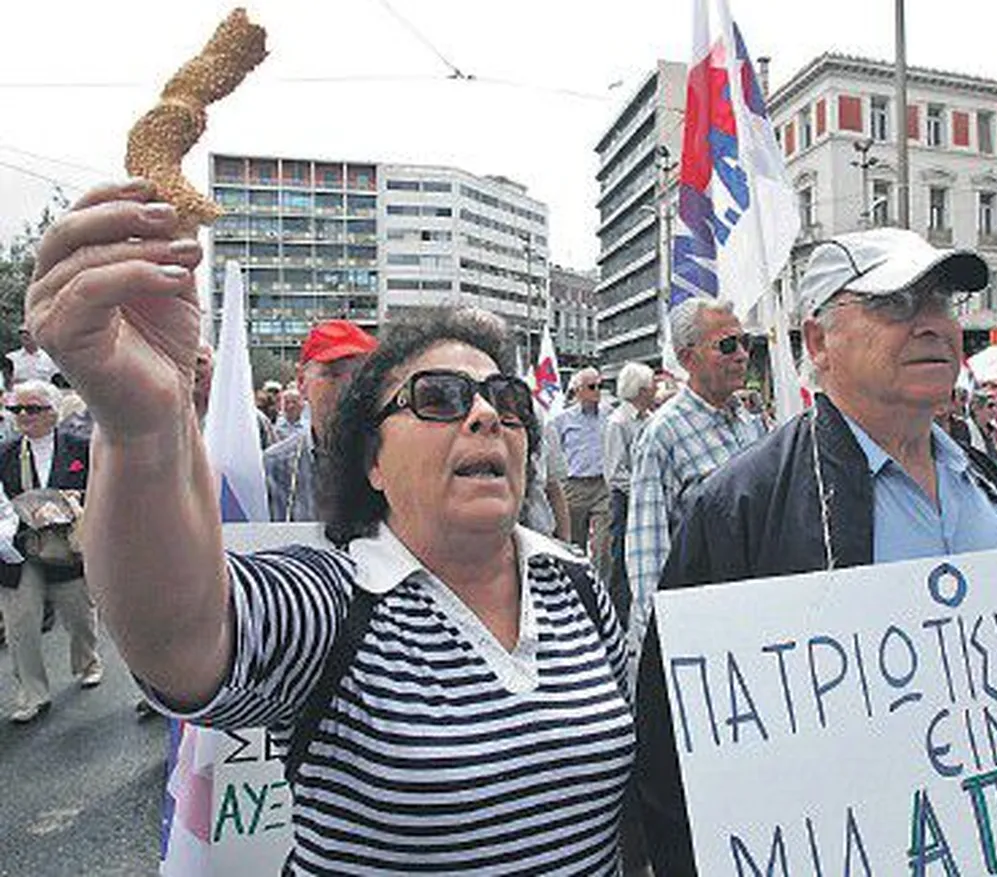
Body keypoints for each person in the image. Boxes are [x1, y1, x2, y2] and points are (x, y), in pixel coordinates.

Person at [27, 182, 635, 872]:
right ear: (372, 461)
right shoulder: (337, 599)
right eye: (439, 398)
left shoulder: (577, 585)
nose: (487, 415)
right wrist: (142, 424)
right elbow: (179, 636)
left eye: (506, 398)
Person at [633, 227, 997, 876]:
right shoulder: (743, 503)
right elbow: (675, 742)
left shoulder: (987, 480)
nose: (932, 325)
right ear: (819, 342)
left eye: (942, 303)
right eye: (898, 304)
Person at [625, 298, 765, 669]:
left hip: (761, 617)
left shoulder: (753, 423)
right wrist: (658, 646)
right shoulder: (662, 434)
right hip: (704, 629)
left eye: (744, 342)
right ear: (688, 359)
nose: (742, 355)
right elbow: (647, 551)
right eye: (726, 345)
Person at [0, 380, 98, 723]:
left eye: (33, 408)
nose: (24, 415)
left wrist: (73, 501)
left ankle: (87, 662)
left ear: (54, 413)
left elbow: (100, 488)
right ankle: (32, 694)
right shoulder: (6, 453)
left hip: (65, 546)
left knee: (78, 613)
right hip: (18, 549)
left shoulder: (81, 447)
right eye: (17, 409)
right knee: (20, 623)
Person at [263, 319, 377, 523]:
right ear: (301, 383)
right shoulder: (273, 469)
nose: (349, 388)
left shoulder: (396, 463)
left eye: (361, 375)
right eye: (332, 374)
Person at [602, 361, 655, 626]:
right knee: (622, 560)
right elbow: (614, 472)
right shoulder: (618, 422)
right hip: (626, 500)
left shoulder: (650, 419)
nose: (656, 389)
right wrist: (642, 486)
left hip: (646, 498)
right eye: (652, 385)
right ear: (641, 390)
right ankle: (617, 622)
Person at [553, 367, 612, 576]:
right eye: (592, 387)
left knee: (604, 546)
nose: (597, 391)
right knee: (573, 544)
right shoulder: (562, 420)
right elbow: (554, 450)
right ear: (578, 391)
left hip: (603, 486)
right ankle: (576, 585)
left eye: (600, 386)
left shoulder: (609, 414)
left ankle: (600, 590)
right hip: (574, 487)